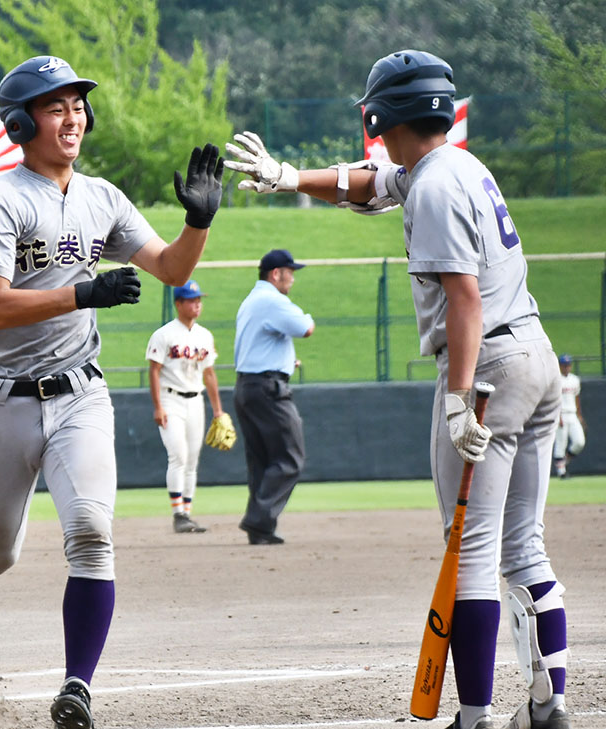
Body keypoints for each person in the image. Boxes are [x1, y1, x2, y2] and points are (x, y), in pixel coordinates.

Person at [224, 51, 569, 729]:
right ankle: (550, 701)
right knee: (524, 544)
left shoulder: (434, 186)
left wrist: (456, 396)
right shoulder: (455, 166)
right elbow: (367, 184)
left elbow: (462, 297)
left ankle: (474, 715)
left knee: (468, 551)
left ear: (382, 114)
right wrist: (288, 176)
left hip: (486, 364)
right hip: (536, 355)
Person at [0, 55, 223, 729]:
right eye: (54, 106)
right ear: (21, 122)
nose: (71, 117)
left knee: (93, 534)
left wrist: (198, 223)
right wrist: (82, 291)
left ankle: (77, 687)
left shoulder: (101, 196)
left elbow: (169, 267)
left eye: (77, 104)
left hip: (80, 394)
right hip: (0, 400)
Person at [233, 249, 315, 545]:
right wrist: (307, 317)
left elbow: (259, 341)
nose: (292, 278)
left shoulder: (251, 300)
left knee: (262, 461)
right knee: (291, 458)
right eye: (289, 272)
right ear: (276, 274)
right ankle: (258, 518)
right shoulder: (272, 299)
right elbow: (305, 328)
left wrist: (283, 358)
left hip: (248, 386)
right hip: (268, 389)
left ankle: (261, 529)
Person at [145, 279, 234, 533]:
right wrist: (158, 406)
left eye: (199, 301)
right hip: (170, 399)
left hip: (196, 401)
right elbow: (154, 371)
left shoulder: (205, 336)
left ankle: (187, 513)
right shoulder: (164, 335)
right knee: (178, 455)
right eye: (192, 300)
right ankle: (178, 515)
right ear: (178, 303)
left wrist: (218, 410)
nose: (197, 305)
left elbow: (210, 374)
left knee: (192, 459)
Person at [553, 353, 586, 478]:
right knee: (561, 443)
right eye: (564, 365)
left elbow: (576, 397)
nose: (566, 367)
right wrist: (558, 416)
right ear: (560, 366)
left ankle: (564, 461)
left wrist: (579, 415)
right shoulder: (556, 380)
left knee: (579, 442)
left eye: (568, 365)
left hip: (572, 414)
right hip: (561, 414)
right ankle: (561, 472)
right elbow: (554, 400)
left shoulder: (574, 379)